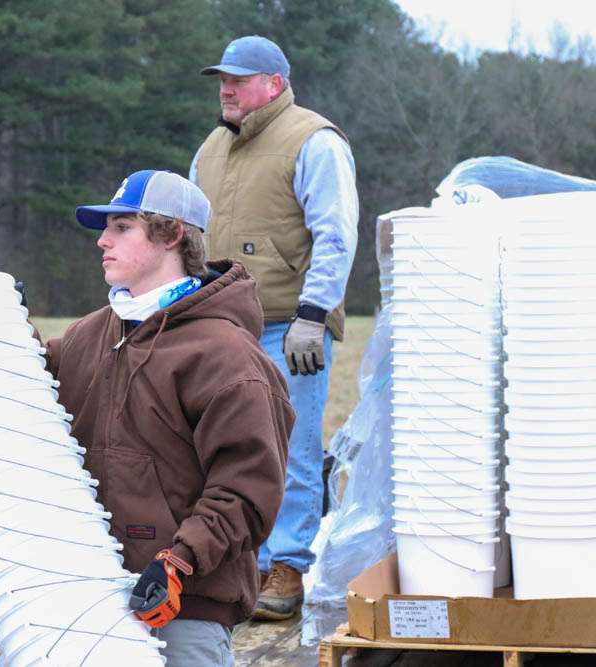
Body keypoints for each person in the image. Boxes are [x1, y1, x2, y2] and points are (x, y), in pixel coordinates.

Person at [43, 169, 293, 666]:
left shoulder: (227, 356)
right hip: (86, 598)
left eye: (122, 227)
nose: (103, 241)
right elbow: (30, 393)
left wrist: (179, 562)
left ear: (172, 234)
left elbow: (247, 490)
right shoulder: (90, 335)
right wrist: (1, 330)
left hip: (182, 610)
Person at [191, 35, 359, 621]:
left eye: (238, 78)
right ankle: (242, 566)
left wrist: (314, 316)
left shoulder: (315, 140)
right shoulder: (210, 149)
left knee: (289, 449)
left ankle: (285, 568)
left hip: (290, 328)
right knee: (223, 450)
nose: (226, 88)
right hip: (220, 325)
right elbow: (192, 240)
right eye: (221, 78)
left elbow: (336, 234)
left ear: (275, 84)